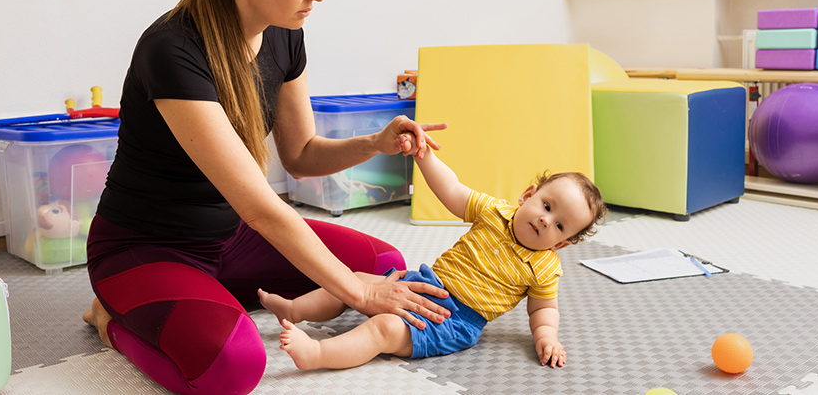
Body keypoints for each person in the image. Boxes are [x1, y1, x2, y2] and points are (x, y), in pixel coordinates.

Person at [81, 0, 451, 395]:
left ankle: (207, 299)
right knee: (233, 366)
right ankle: (112, 321)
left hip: (232, 239)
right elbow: (260, 207)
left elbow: (301, 155)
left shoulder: (284, 32)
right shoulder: (172, 49)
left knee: (385, 267)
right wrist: (359, 295)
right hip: (146, 248)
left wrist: (374, 142)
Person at [258, 146, 608, 370]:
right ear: (528, 195)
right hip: (423, 284)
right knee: (355, 280)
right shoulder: (493, 211)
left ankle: (317, 355)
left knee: (384, 329)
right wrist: (424, 156)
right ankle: (295, 310)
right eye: (546, 205)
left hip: (454, 320)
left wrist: (546, 336)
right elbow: (451, 189)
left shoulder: (545, 269)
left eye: (559, 225)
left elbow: (543, 309)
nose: (546, 220)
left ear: (561, 244)